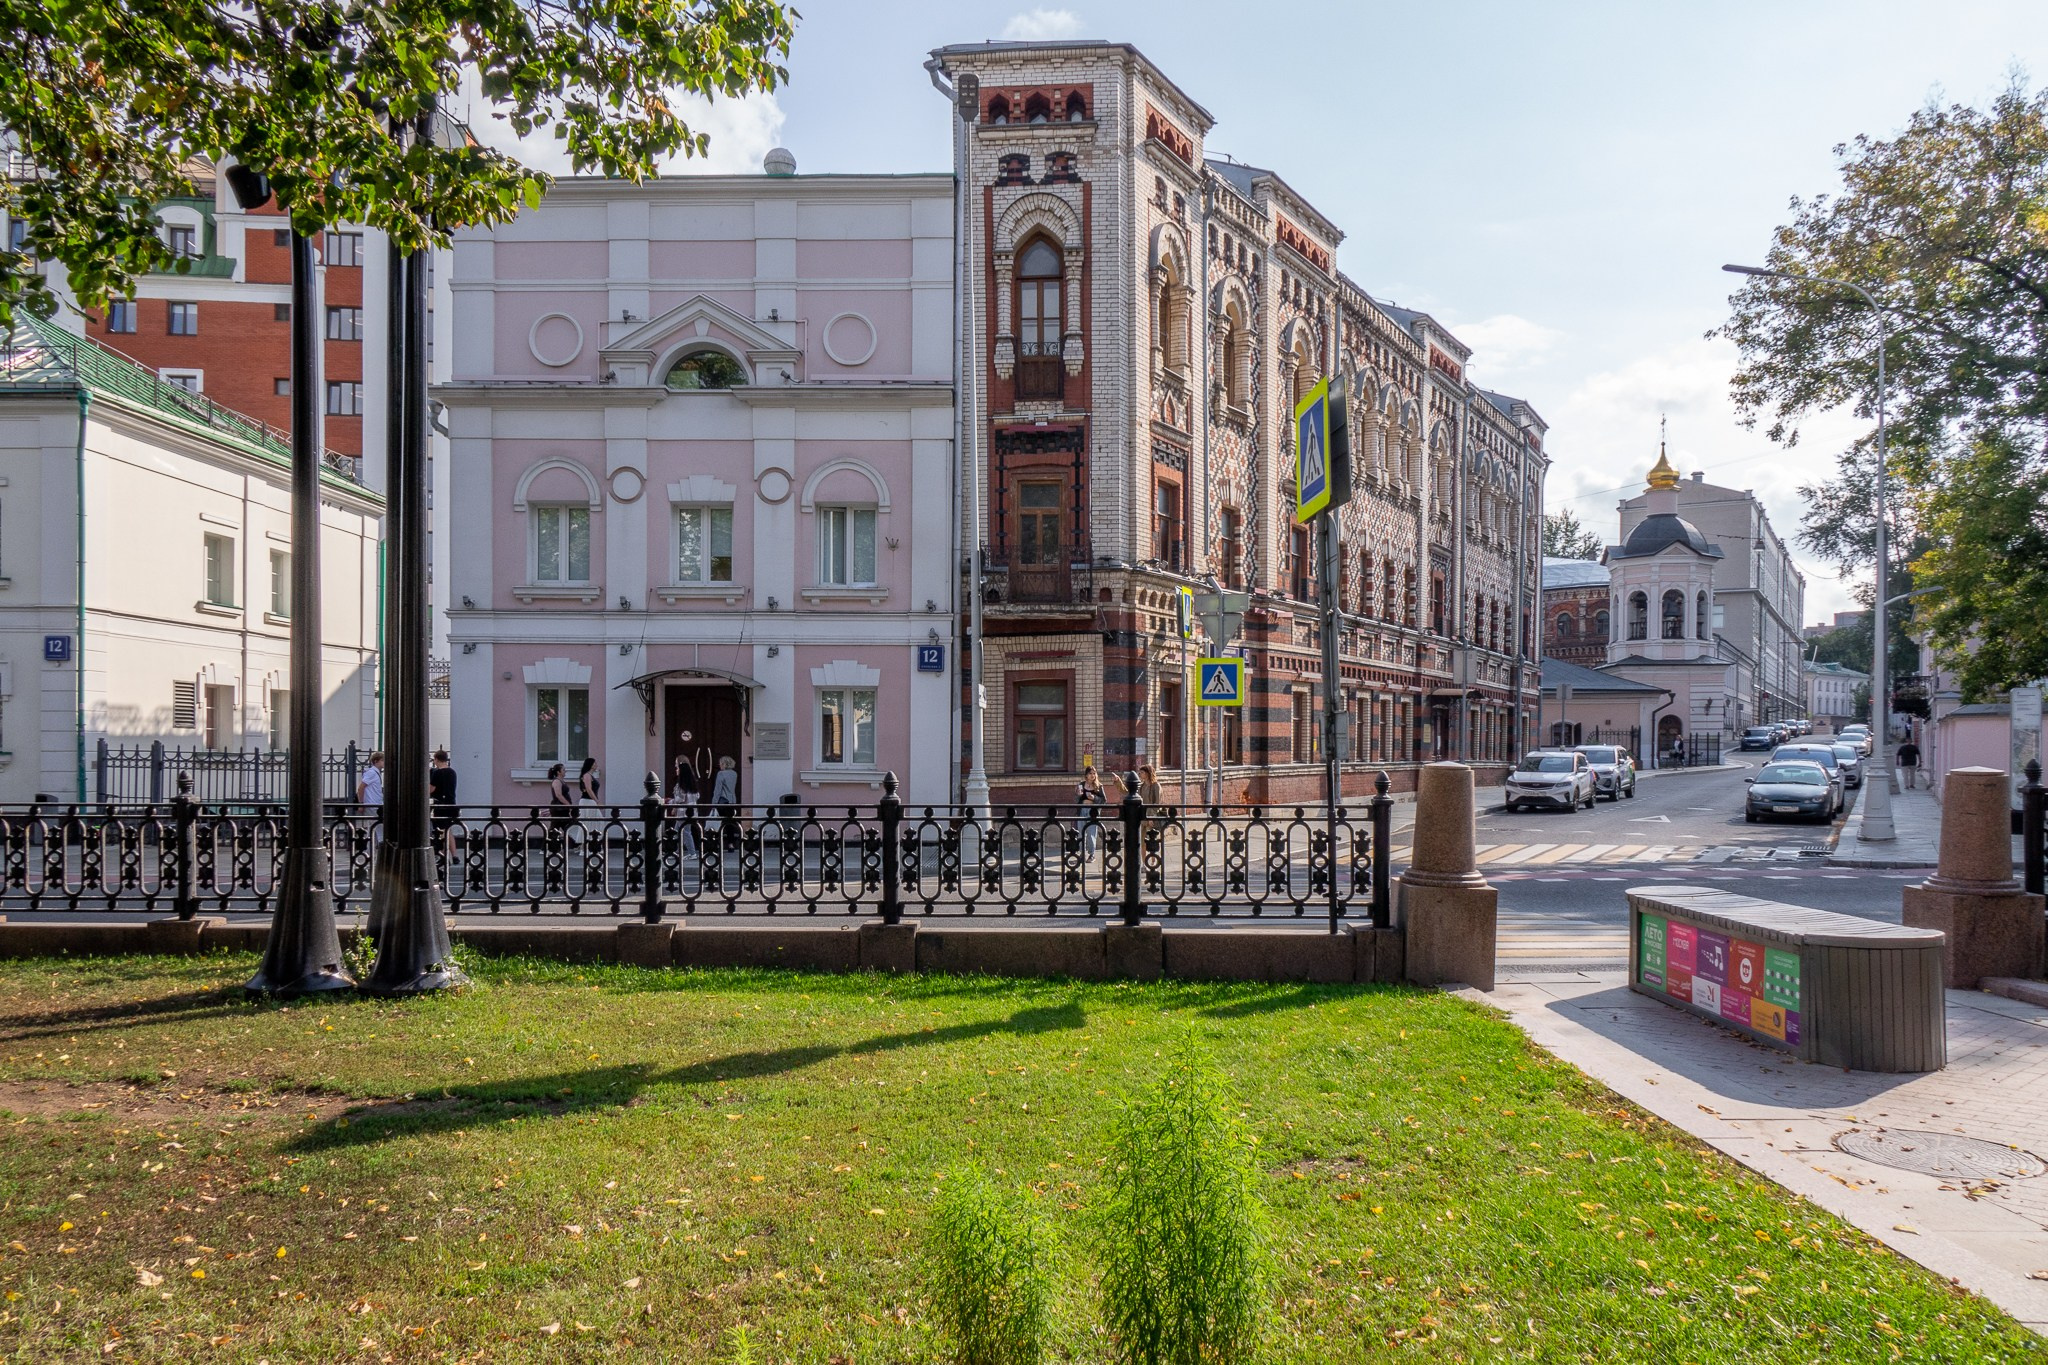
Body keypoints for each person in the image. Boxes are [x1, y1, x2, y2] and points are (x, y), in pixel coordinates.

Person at [429, 748, 459, 865]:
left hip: (440, 805)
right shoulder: (452, 772)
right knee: (448, 830)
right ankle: (454, 855)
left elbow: (431, 789)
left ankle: (443, 855)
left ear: (436, 759)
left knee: (440, 831)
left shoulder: (437, 773)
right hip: (451, 804)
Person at [1076, 764, 1106, 858]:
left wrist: (1094, 798)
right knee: (1081, 832)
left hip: (1092, 811)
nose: (1092, 775)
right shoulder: (1081, 785)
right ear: (1086, 775)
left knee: (1091, 832)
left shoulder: (1099, 786)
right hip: (1082, 810)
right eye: (1090, 773)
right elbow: (1076, 800)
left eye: (1094, 773)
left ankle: (1091, 854)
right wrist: (1078, 795)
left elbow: (1104, 800)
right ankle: (1082, 853)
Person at [1137, 763, 1166, 839]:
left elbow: (1157, 803)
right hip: (1143, 817)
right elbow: (1131, 794)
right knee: (1142, 841)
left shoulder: (1156, 786)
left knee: (1151, 840)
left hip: (1152, 818)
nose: (1140, 774)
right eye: (1139, 772)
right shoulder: (1142, 786)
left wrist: (1151, 817)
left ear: (1148, 773)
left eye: (1142, 772)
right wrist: (1118, 782)